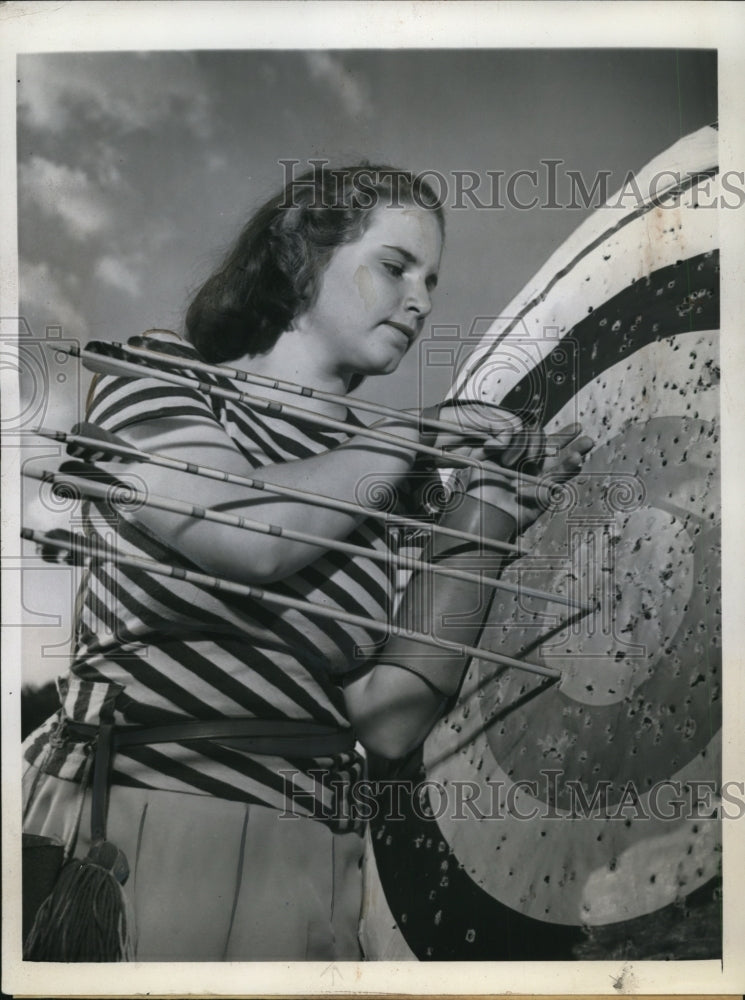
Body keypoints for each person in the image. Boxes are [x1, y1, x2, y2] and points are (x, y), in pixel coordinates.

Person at [22, 164, 592, 961]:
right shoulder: (156, 373)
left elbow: (387, 717)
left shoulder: (382, 481)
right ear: (298, 253)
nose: (421, 301)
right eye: (394, 266)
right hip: (137, 826)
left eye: (431, 281)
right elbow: (246, 535)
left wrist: (486, 507)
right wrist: (412, 434)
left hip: (310, 859)